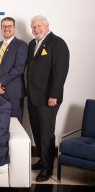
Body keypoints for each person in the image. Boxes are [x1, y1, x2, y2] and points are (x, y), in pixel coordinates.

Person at [27, 15, 69, 182]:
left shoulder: (58, 43)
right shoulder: (32, 44)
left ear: (47, 26)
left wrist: (54, 95)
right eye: (33, 27)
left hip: (48, 98)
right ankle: (43, 160)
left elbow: (60, 72)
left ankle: (47, 168)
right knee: (36, 130)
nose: (36, 29)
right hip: (33, 96)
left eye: (39, 26)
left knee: (46, 133)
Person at [0, 17, 28, 123]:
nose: (7, 28)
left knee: (15, 124)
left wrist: (0, 83)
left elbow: (19, 68)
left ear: (14, 28)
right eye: (4, 26)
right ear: (1, 28)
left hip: (14, 93)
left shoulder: (21, 45)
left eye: (9, 26)